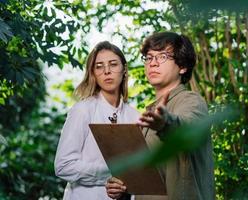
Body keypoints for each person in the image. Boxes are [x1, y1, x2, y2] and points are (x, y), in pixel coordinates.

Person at [106, 32, 215, 200]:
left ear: (182, 66)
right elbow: (146, 180)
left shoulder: (191, 101)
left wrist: (165, 124)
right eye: (149, 58)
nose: (153, 63)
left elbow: (187, 130)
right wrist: (122, 189)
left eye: (163, 56)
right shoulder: (150, 113)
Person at [54, 41, 139, 200]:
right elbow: (63, 166)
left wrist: (125, 185)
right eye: (99, 66)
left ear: (124, 69)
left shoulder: (135, 117)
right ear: (93, 73)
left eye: (113, 64)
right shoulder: (82, 110)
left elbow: (138, 172)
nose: (107, 71)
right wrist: (110, 172)